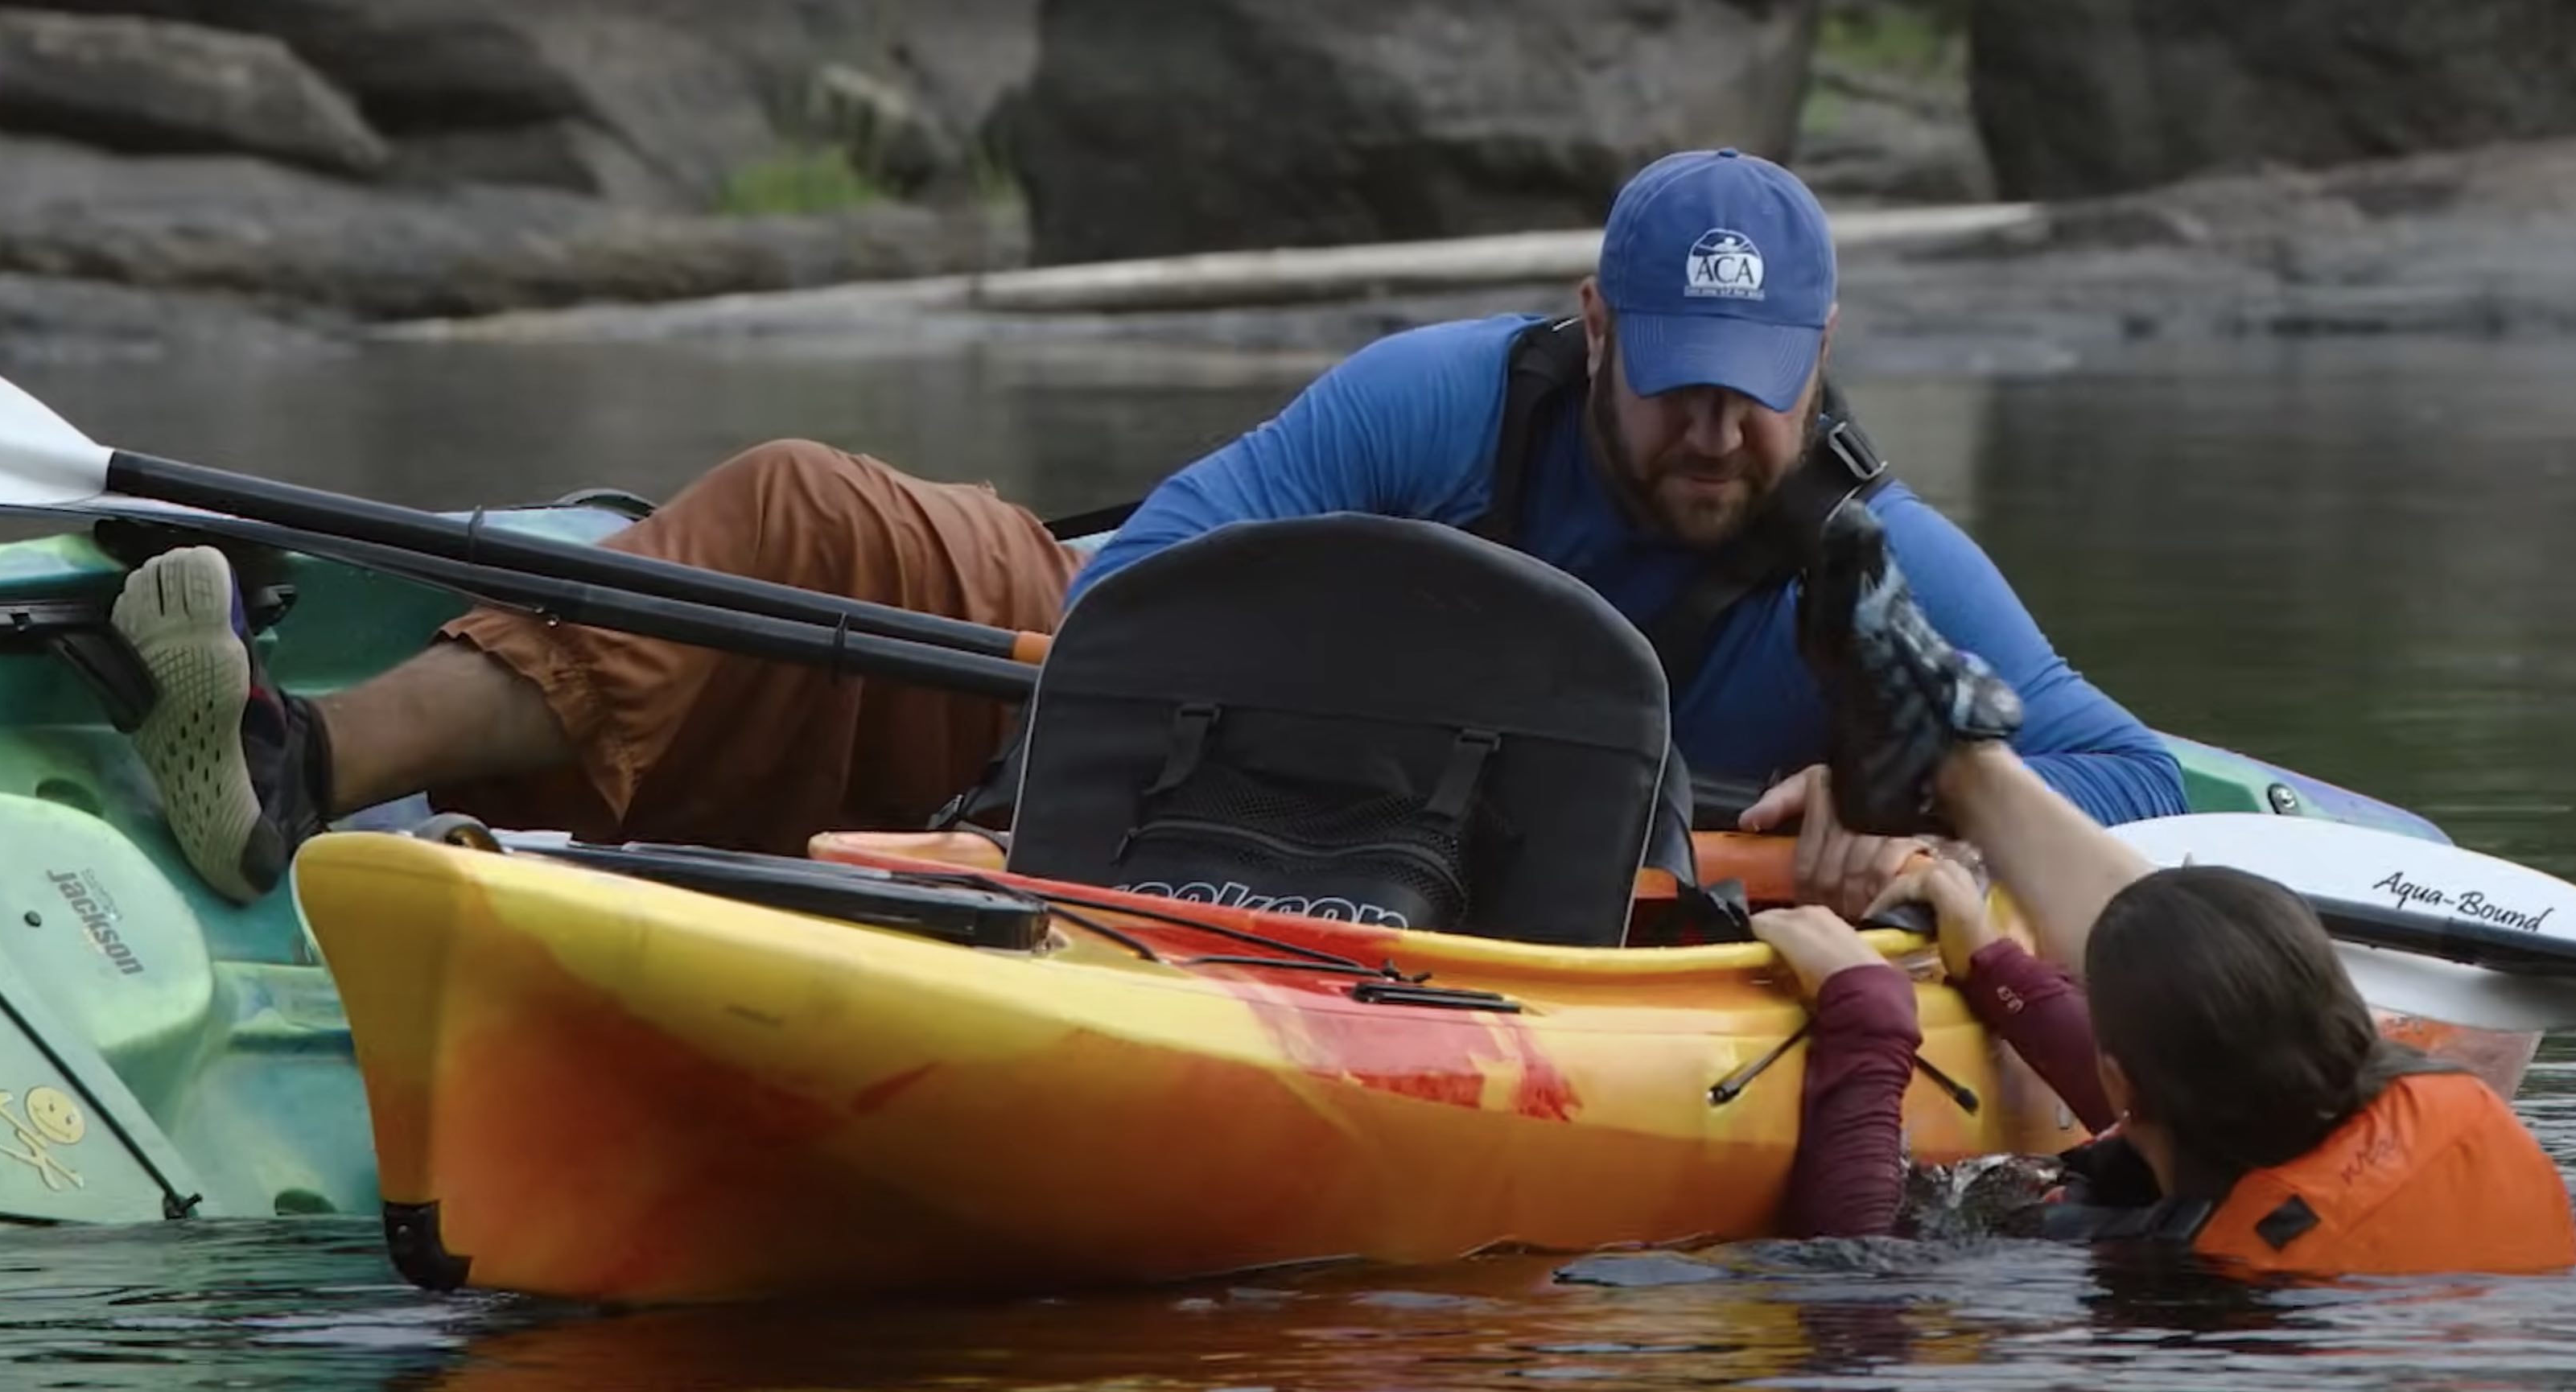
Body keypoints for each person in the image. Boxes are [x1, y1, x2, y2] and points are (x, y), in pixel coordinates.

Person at [105, 146, 2183, 908]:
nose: (1716, 424)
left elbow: (2132, 775)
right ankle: (299, 767)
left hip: (1506, 913)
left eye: (1759, 380)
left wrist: (1916, 818)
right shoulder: (1442, 401)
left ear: (1818, 367)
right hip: (1158, 763)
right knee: (804, 510)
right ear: (1591, 330)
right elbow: (1147, 575)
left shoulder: (1867, 558)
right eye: (1674, 372)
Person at [1751, 499, 2576, 1275]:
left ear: (2122, 1086)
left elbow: (1864, 1297)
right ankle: (1960, 765)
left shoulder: (2207, 1278)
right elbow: (2181, 1090)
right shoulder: (2435, 1109)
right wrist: (2001, 967)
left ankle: (1961, 764)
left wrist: (1867, 1018)